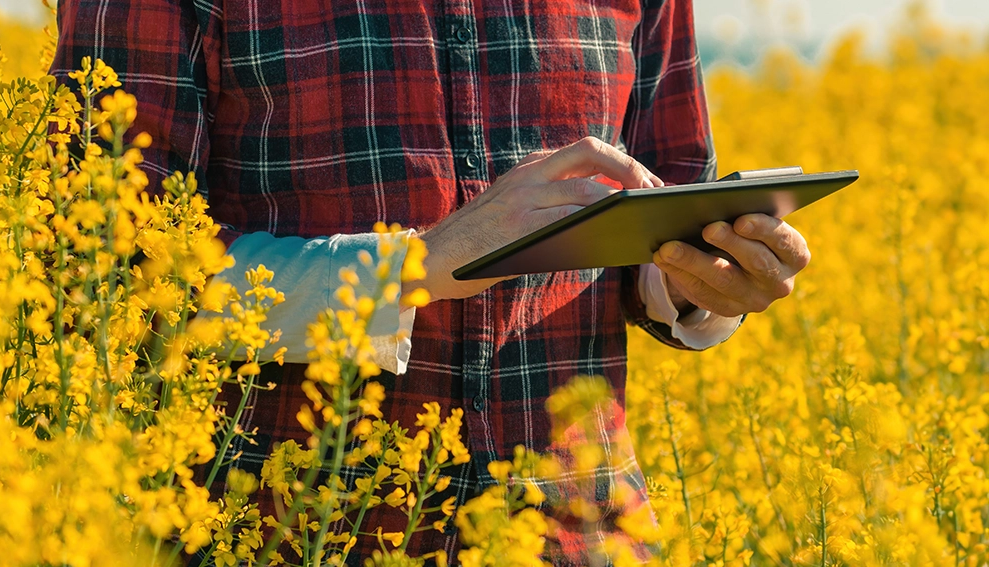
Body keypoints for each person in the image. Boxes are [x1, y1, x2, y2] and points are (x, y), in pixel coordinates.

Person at [52, 0, 811, 563]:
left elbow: (665, 215)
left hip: (581, 539)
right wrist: (417, 267)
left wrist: (701, 285)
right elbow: (99, 277)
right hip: (292, 534)